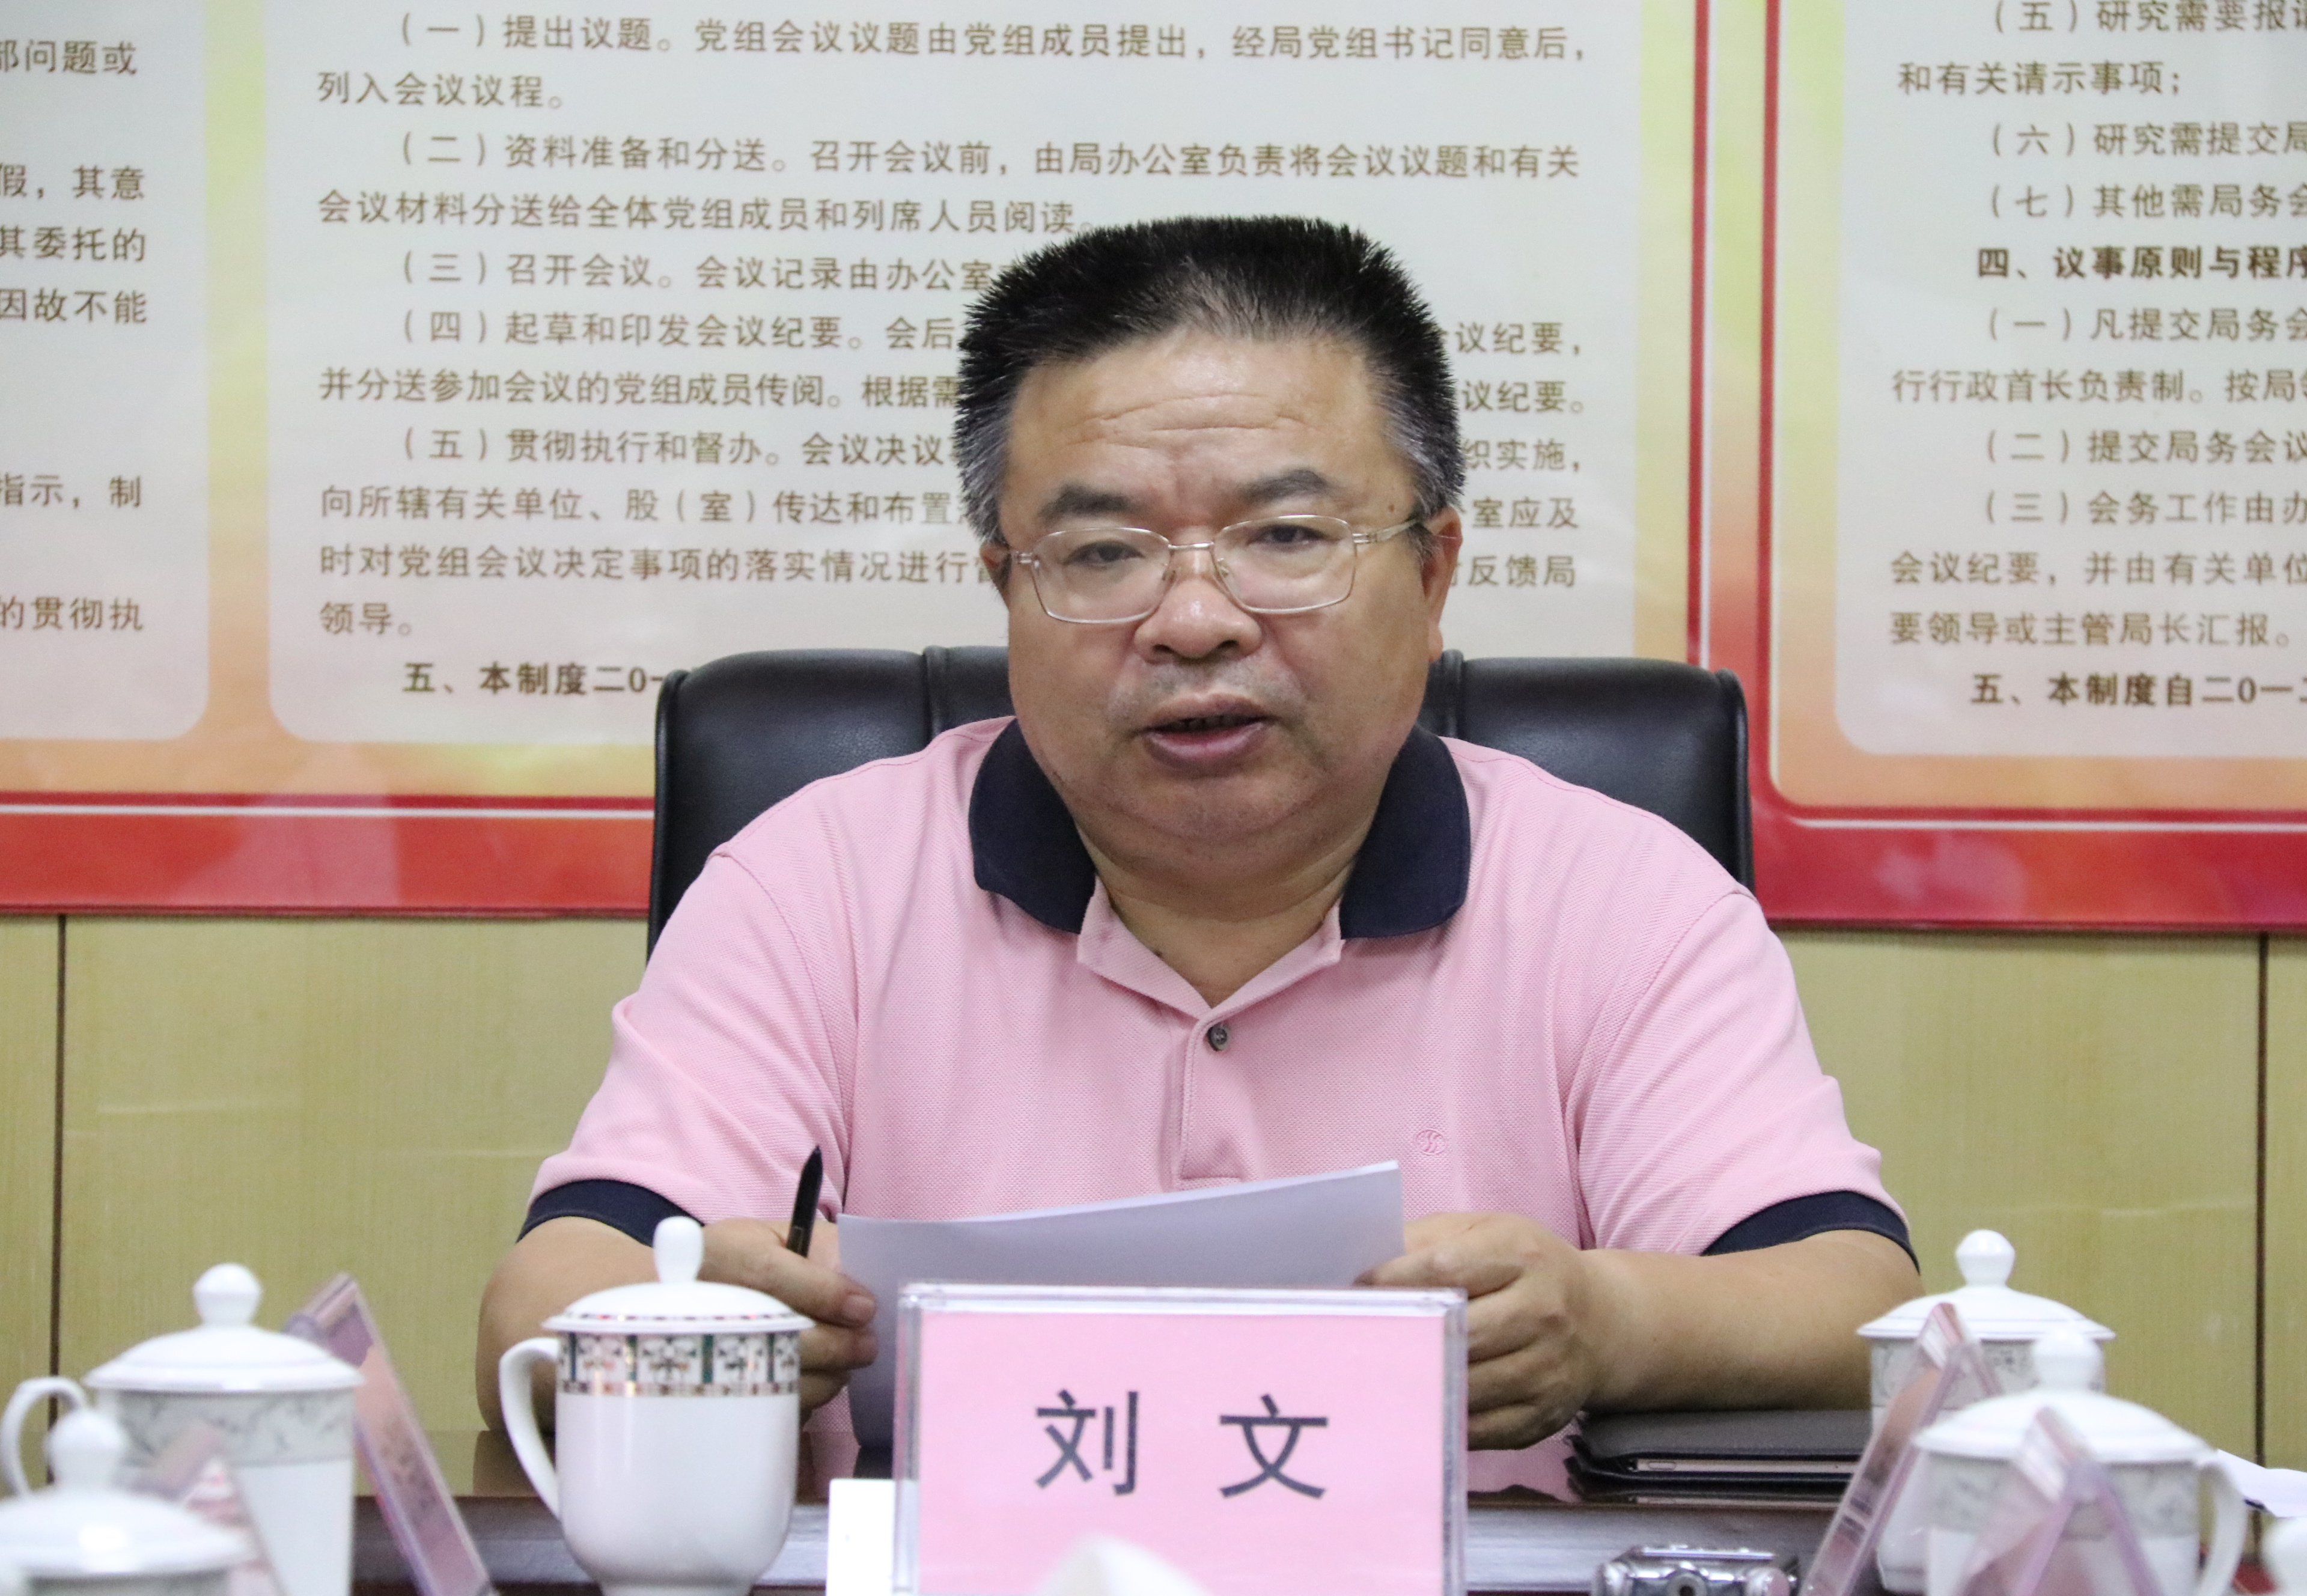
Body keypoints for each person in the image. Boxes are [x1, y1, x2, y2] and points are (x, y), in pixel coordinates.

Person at [477, 216, 1918, 1491]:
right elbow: (542, 1303)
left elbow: (1856, 1304)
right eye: (1104, 553)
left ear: (1432, 574)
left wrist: (1611, 1321)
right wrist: (689, 1322)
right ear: (1007, 589)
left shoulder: (1619, 895)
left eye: (1285, 535)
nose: (1195, 620)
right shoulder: (818, 883)